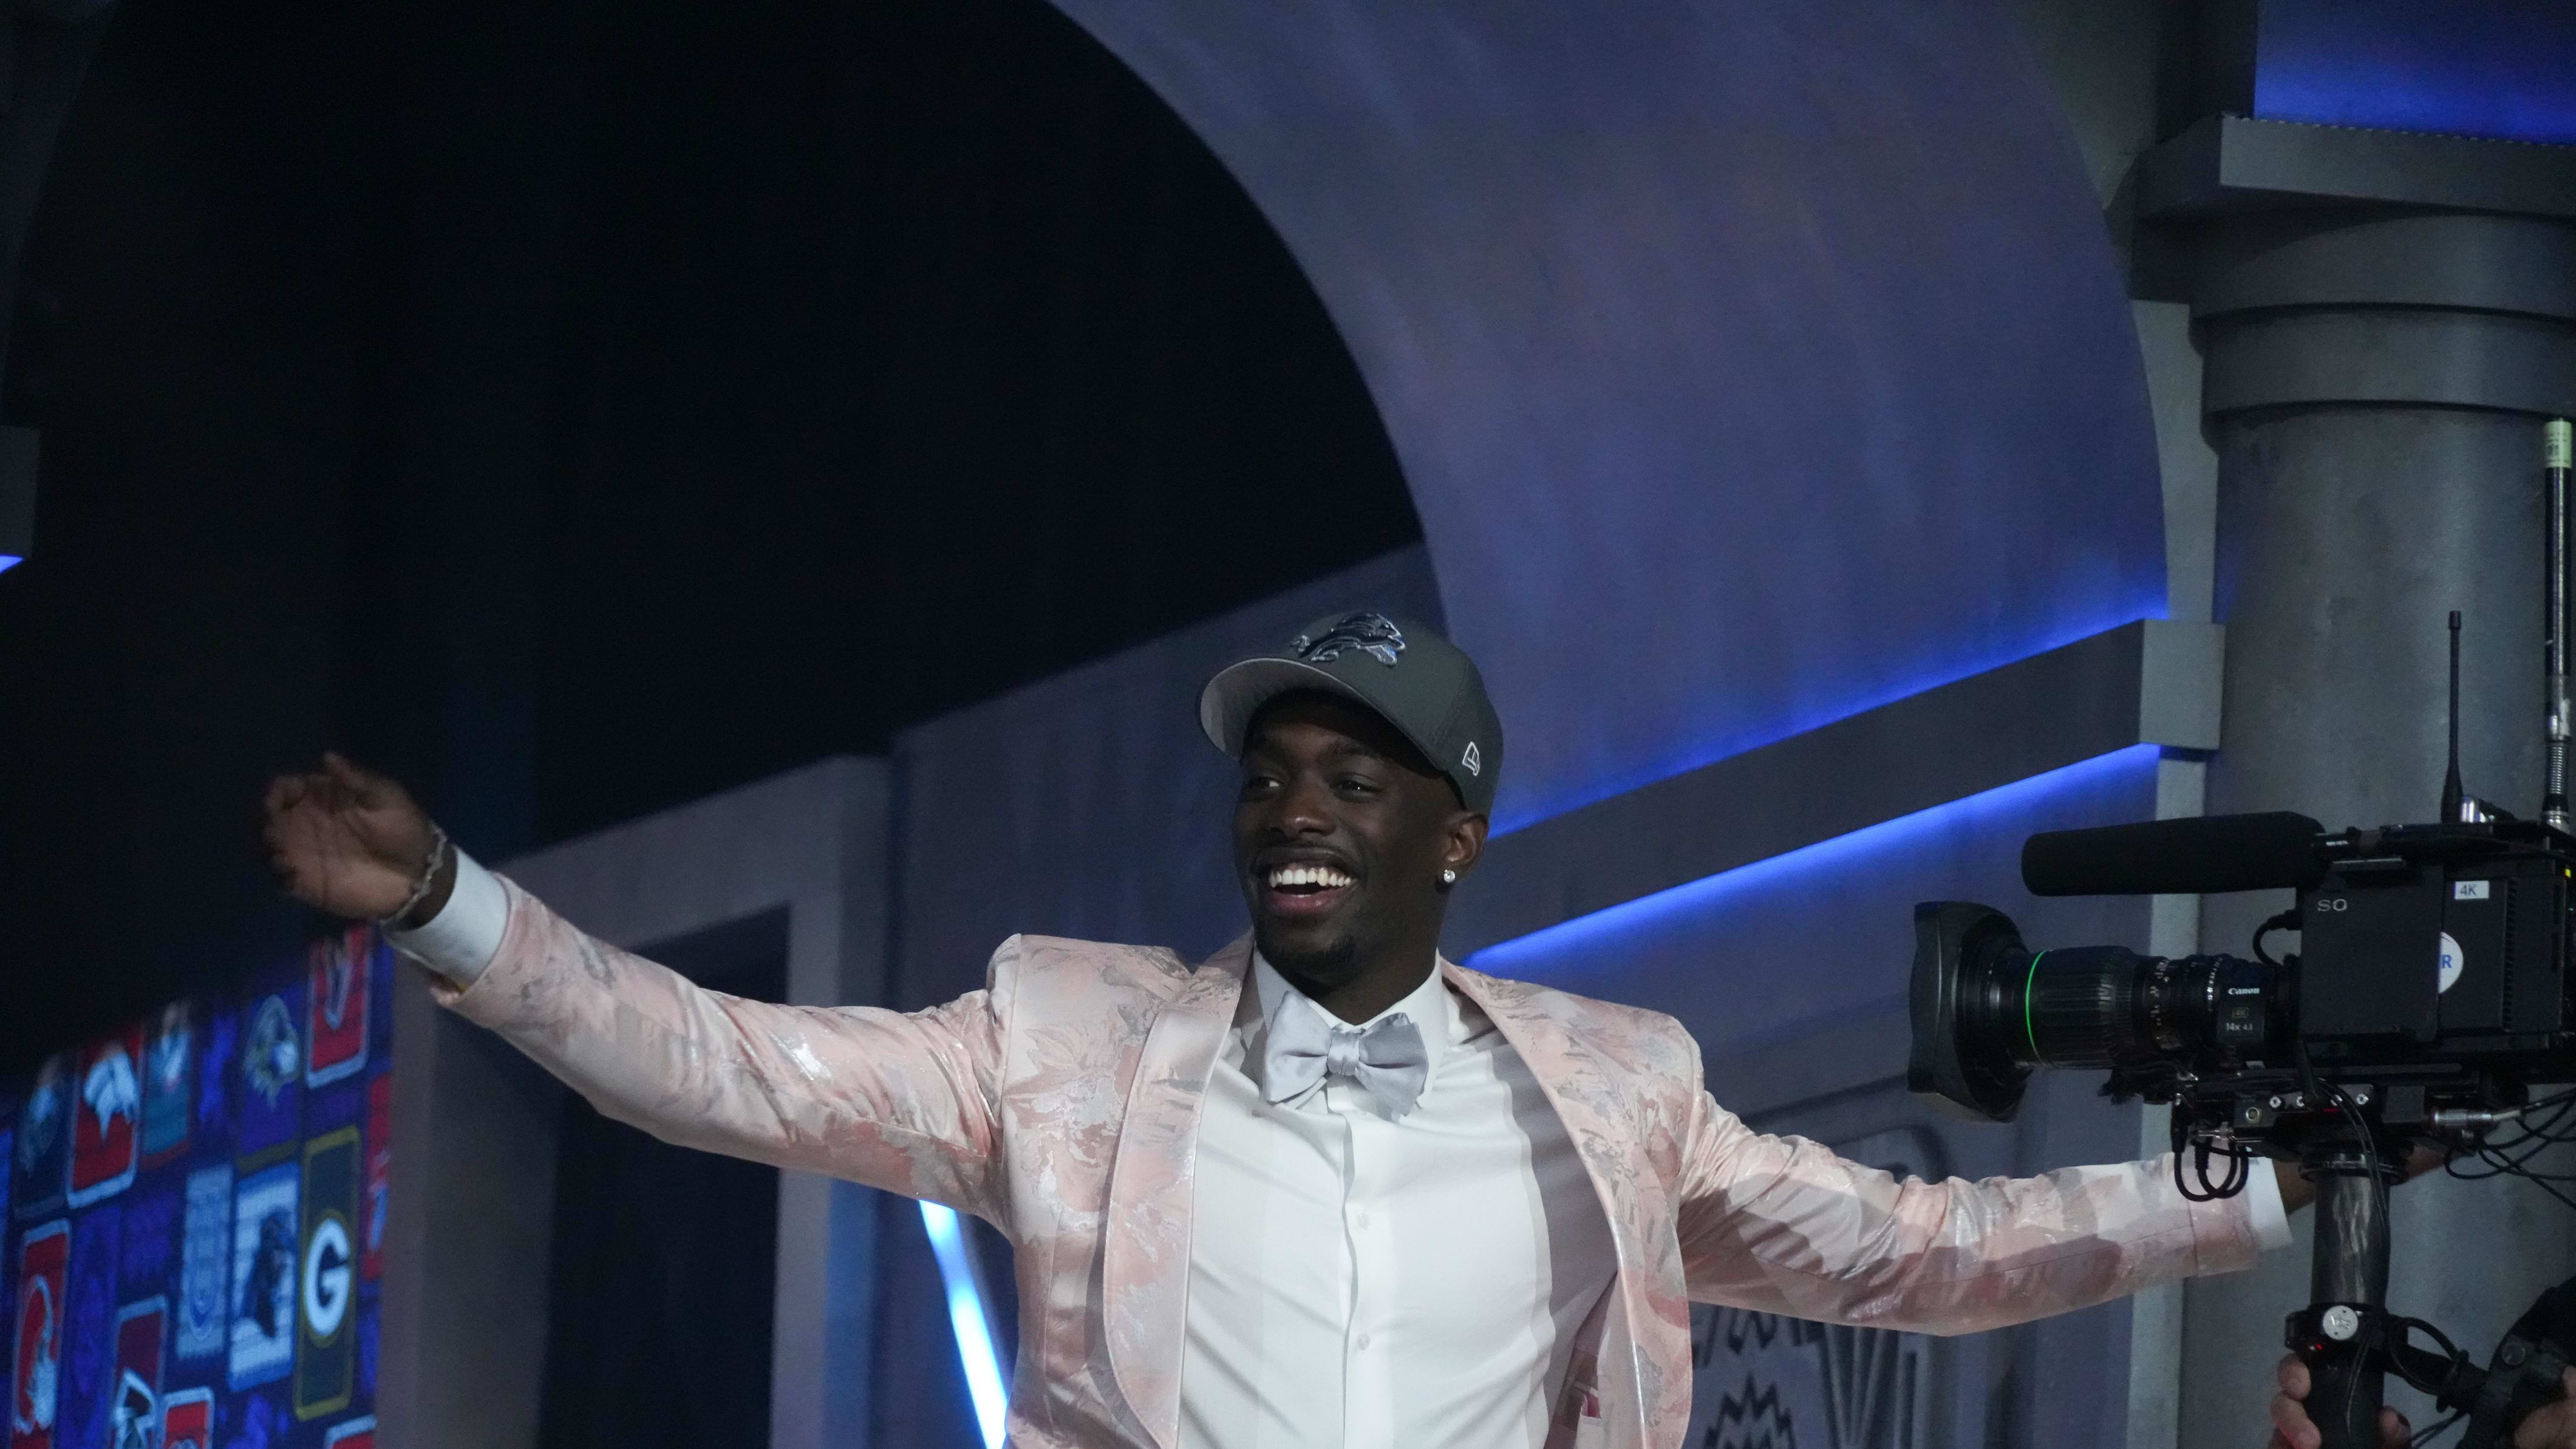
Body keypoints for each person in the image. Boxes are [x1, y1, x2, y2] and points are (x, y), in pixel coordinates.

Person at [266, 610, 2306, 1449]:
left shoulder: (1618, 1084)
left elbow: (1918, 1251)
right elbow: (716, 1062)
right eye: (1272, 775)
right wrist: (456, 901)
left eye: (1353, 776)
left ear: (1458, 832)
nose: (1292, 810)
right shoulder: (1064, 1040)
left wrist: (2255, 1189)